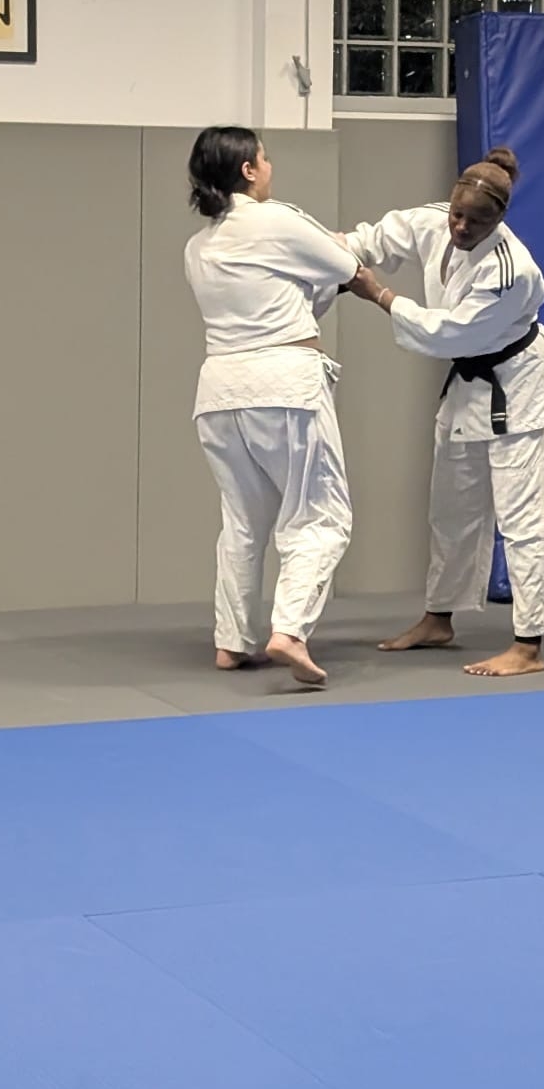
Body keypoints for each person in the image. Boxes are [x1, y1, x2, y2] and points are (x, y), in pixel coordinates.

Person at [345, 146, 544, 678]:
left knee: (523, 519)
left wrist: (380, 295)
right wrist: (327, 252)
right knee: (452, 507)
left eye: (476, 221)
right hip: (470, 385)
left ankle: (529, 645)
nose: (461, 227)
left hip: (519, 387)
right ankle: (438, 618)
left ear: (500, 219)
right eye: (457, 214)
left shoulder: (511, 270)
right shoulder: (434, 221)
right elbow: (376, 238)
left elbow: (450, 333)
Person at [185, 126, 359, 689]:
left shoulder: (198, 247)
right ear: (248, 170)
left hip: (219, 392)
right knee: (320, 515)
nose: (269, 166)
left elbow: (281, 293)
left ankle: (231, 640)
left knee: (243, 519)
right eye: (264, 158)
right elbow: (344, 265)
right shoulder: (274, 219)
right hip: (284, 384)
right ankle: (290, 631)